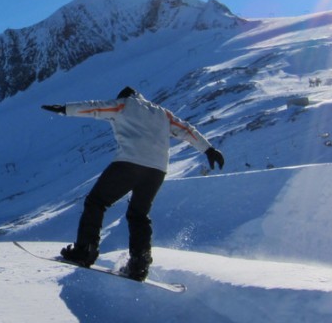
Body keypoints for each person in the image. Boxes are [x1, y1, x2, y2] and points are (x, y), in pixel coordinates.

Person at [41, 86, 224, 280]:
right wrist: (209, 149)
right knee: (139, 215)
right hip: (157, 170)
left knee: (96, 202)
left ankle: (84, 252)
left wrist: (65, 109)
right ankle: (140, 264)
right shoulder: (162, 113)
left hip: (129, 163)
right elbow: (186, 130)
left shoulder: (123, 105)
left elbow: (94, 108)